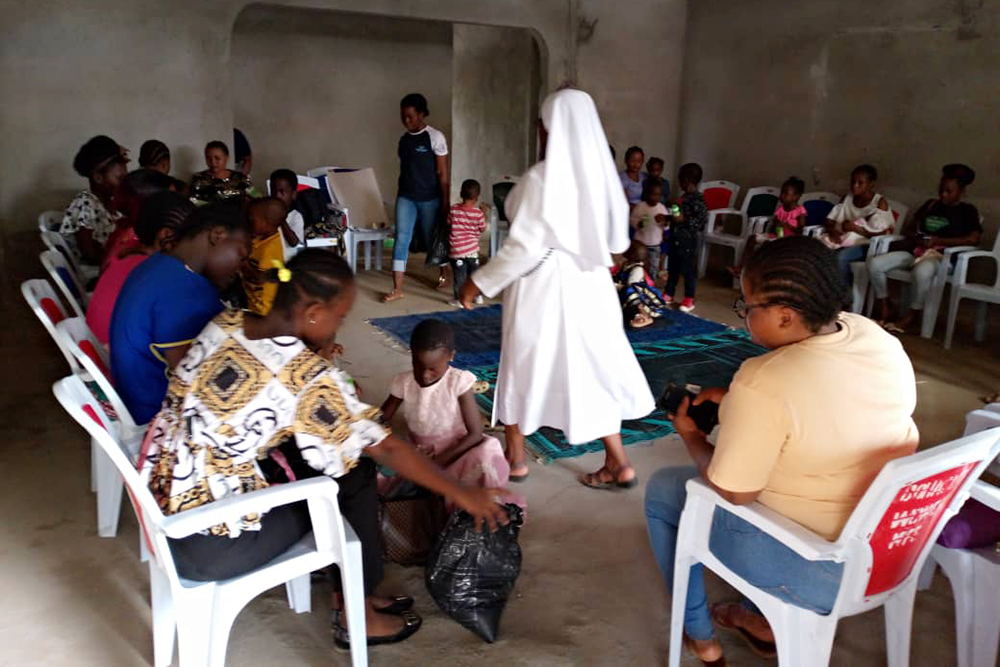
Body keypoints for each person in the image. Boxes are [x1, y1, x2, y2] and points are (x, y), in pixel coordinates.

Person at [137, 250, 508, 649]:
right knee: (352, 479)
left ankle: (353, 591)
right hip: (212, 542)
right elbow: (385, 445)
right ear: (314, 313)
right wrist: (461, 492)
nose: (340, 326)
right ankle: (356, 613)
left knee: (329, 464)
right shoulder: (304, 375)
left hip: (164, 506)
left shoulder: (227, 323)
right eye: (340, 317)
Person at [646, 236, 918, 665]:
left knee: (666, 490)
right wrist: (734, 402)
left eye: (748, 308)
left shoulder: (765, 379)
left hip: (817, 565)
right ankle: (761, 620)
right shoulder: (874, 337)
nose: (745, 317)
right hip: (888, 548)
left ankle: (701, 635)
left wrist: (690, 434)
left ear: (786, 316)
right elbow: (822, 406)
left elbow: (734, 492)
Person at [458, 88, 654, 488]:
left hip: (544, 288)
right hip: (592, 286)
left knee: (521, 364)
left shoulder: (543, 179)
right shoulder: (602, 180)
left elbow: (524, 247)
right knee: (590, 369)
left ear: (554, 127)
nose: (541, 131)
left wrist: (479, 281)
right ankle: (619, 462)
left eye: (543, 124)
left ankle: (515, 458)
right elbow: (616, 242)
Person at [109, 201, 250, 424]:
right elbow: (202, 384)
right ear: (218, 235)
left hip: (136, 396)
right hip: (158, 414)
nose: (239, 269)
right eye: (241, 256)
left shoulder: (160, 264)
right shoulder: (185, 292)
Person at [379, 319, 524, 502]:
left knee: (484, 457)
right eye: (418, 365)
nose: (425, 375)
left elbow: (475, 434)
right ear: (412, 355)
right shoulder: (404, 382)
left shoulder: (458, 382)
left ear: (451, 357)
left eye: (433, 369)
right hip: (420, 448)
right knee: (387, 475)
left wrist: (436, 464)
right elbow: (383, 417)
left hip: (456, 448)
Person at [869, 163, 982, 333]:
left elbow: (973, 239)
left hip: (940, 257)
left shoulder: (967, 211)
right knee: (875, 264)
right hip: (916, 251)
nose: (943, 194)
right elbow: (910, 229)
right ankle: (885, 304)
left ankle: (913, 314)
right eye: (941, 189)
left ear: (961, 192)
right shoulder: (931, 205)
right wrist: (920, 238)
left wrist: (939, 240)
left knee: (922, 271)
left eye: (949, 191)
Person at [86, 192, 193, 345]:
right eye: (190, 237)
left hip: (100, 349)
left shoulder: (129, 249)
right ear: (166, 235)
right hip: (114, 358)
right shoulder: (153, 272)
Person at [384, 93, 450, 303]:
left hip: (430, 198)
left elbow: (442, 173)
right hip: (406, 197)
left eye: (411, 116)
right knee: (401, 239)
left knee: (434, 238)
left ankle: (444, 271)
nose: (406, 121)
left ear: (422, 114)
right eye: (403, 116)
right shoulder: (404, 141)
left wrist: (445, 201)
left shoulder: (435, 137)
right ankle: (397, 288)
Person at [819, 164, 894, 288]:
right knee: (818, 252)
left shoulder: (879, 202)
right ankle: (825, 292)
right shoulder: (847, 198)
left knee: (841, 258)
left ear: (871, 184)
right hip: (843, 240)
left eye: (860, 183)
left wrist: (857, 229)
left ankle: (845, 296)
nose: (855, 185)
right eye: (853, 181)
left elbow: (882, 232)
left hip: (866, 246)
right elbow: (829, 220)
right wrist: (833, 232)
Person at [59, 135, 129, 266]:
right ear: (98, 177)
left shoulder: (111, 204)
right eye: (119, 179)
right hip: (94, 273)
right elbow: (89, 253)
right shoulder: (85, 202)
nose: (123, 184)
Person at [729, 176, 807, 276]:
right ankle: (742, 267)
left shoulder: (800, 211)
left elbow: (800, 230)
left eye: (785, 193)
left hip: (790, 239)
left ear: (796, 196)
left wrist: (786, 225)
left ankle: (755, 272)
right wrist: (776, 226)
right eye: (781, 192)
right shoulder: (780, 209)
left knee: (766, 246)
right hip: (776, 235)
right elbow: (774, 227)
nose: (781, 196)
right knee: (752, 239)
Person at [664, 163, 708, 313]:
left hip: (687, 241)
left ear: (688, 180)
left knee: (688, 270)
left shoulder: (698, 199)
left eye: (681, 180)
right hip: (675, 239)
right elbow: (676, 217)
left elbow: (700, 222)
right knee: (673, 268)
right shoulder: (683, 198)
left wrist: (683, 220)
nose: (679, 183)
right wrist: (667, 217)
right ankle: (668, 293)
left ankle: (689, 298)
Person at [446, 179, 488, 307]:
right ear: (477, 197)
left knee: (460, 276)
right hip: (472, 251)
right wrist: (484, 213)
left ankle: (459, 299)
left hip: (457, 251)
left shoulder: (453, 210)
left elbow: (448, 223)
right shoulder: (478, 213)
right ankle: (478, 296)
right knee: (474, 275)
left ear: (460, 193)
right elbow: (482, 228)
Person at [243, 198, 288, 315]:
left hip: (263, 309)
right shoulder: (260, 238)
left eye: (252, 220)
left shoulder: (271, 250)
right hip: (251, 300)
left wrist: (244, 264)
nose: (249, 222)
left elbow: (262, 278)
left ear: (266, 223)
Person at [614, 241, 669, 329]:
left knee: (630, 292)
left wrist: (615, 286)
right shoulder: (626, 264)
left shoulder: (637, 269)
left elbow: (632, 288)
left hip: (638, 298)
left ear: (630, 255)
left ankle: (644, 315)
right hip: (625, 293)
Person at [630, 179, 669, 276]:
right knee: (638, 267)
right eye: (653, 194)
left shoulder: (662, 208)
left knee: (653, 268)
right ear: (646, 194)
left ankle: (651, 286)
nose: (655, 197)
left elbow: (667, 226)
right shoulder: (640, 207)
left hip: (655, 245)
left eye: (658, 195)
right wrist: (639, 224)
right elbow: (632, 220)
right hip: (640, 244)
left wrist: (664, 222)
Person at [269, 169, 306, 261]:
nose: (277, 196)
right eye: (273, 191)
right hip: (269, 262)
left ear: (293, 195)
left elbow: (294, 242)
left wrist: (280, 217)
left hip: (286, 264)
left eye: (282, 192)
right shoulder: (266, 213)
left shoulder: (296, 216)